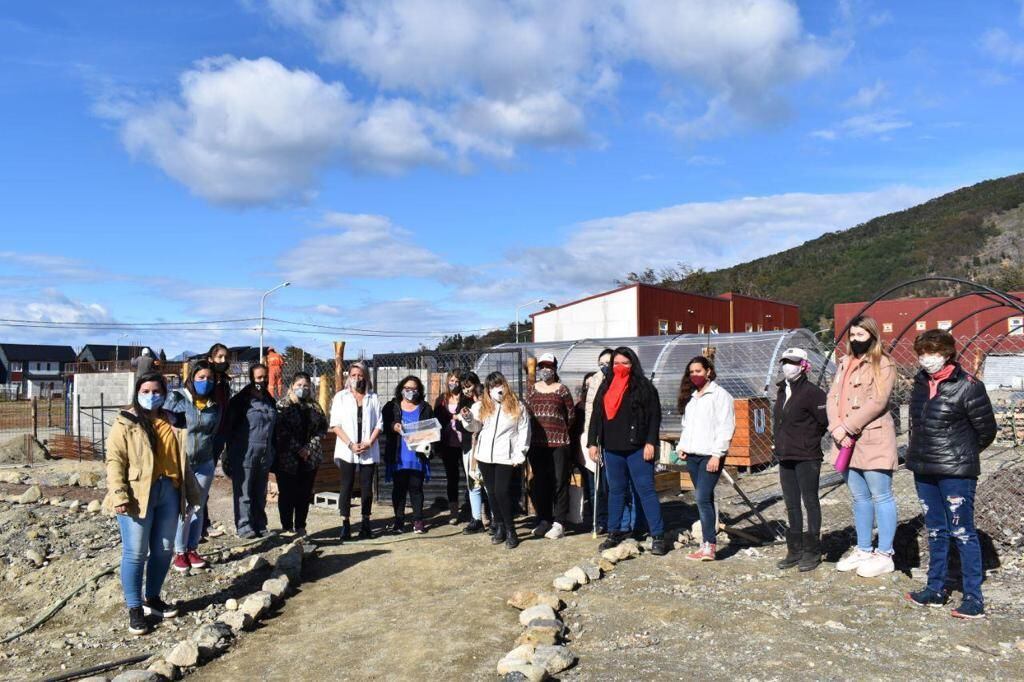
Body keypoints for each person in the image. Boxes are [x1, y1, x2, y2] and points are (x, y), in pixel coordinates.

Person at [904, 330, 997, 619]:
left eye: (932, 352)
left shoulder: (968, 386)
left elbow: (986, 431)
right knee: (935, 530)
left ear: (947, 353)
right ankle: (935, 589)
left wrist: (960, 454)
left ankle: (973, 597)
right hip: (925, 468)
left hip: (956, 471)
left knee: (962, 531)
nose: (926, 359)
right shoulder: (920, 384)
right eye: (921, 353)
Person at [103, 372, 201, 635]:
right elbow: (114, 460)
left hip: (169, 491)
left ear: (165, 393)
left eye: (156, 391)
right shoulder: (126, 422)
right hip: (137, 494)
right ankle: (134, 608)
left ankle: (153, 598)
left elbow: (183, 461)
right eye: (145, 391)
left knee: (164, 548)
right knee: (135, 552)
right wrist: (119, 494)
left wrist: (193, 494)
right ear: (137, 393)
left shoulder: (172, 420)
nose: (151, 396)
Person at [827, 315, 899, 578]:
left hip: (872, 437)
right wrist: (835, 427)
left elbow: (878, 402)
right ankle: (864, 549)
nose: (856, 340)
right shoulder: (843, 363)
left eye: (861, 335)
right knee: (859, 497)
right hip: (844, 440)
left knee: (882, 495)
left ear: (872, 335)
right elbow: (832, 396)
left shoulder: (885, 363)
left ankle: (885, 553)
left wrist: (847, 427)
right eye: (853, 335)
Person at [587, 347, 669, 556]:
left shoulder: (644, 387)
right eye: (616, 363)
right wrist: (592, 443)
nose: (619, 367)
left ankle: (658, 534)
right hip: (612, 449)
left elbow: (654, 417)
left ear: (633, 364)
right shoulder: (605, 387)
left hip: (638, 449)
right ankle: (615, 531)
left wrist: (651, 442)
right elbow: (597, 416)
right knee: (616, 491)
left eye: (625, 363)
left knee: (646, 490)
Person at [772, 348, 828, 571]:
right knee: (791, 504)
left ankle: (812, 550)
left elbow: (823, 421)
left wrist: (809, 440)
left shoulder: (813, 393)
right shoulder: (782, 390)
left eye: (793, 362)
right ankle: (794, 550)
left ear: (804, 365)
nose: (788, 366)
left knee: (810, 502)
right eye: (785, 361)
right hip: (786, 456)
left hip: (807, 456)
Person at [459, 372, 530, 549]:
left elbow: (524, 431)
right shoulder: (482, 405)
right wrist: (467, 418)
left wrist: (520, 454)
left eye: (498, 385)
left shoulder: (517, 406)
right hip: (484, 456)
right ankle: (499, 526)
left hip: (505, 456)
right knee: (491, 492)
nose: (495, 389)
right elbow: (475, 427)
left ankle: (511, 529)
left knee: (502, 492)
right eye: (491, 387)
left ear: (505, 385)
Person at [675, 356, 736, 561]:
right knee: (705, 499)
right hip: (692, 456)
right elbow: (687, 426)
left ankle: (710, 544)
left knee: (701, 498)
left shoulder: (720, 396)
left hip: (710, 456)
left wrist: (717, 454)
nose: (694, 375)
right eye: (691, 372)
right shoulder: (692, 397)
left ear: (708, 371)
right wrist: (682, 446)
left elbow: (725, 427)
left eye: (698, 371)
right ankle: (705, 545)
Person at [165, 361, 222, 573]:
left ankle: (192, 548)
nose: (205, 382)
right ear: (192, 378)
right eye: (201, 378)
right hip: (183, 461)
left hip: (205, 461)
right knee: (184, 508)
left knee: (198, 506)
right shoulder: (177, 398)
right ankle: (179, 552)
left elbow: (213, 432)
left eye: (209, 379)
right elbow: (168, 429)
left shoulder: (214, 405)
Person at [330, 361, 383, 541]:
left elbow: (379, 424)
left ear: (366, 377)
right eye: (353, 375)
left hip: (368, 448)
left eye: (360, 375)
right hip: (347, 449)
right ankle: (345, 524)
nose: (357, 379)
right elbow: (335, 425)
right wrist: (351, 444)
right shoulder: (341, 397)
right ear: (348, 377)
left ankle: (365, 523)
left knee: (367, 488)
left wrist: (369, 442)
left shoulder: (373, 398)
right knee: (346, 486)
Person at [526, 353, 576, 539]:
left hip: (559, 443)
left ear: (555, 368)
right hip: (537, 444)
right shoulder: (532, 390)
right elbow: (528, 414)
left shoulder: (562, 390)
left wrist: (557, 429)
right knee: (540, 481)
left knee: (560, 482)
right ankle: (544, 519)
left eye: (549, 366)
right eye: (542, 366)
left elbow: (570, 416)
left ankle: (560, 522)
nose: (545, 370)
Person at [225, 363, 278, 539]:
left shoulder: (269, 399)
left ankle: (260, 525)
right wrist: (230, 452)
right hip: (244, 452)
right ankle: (244, 526)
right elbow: (230, 428)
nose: (261, 381)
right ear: (251, 378)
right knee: (244, 492)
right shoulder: (241, 401)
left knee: (260, 491)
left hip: (265, 452)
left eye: (264, 377)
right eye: (258, 378)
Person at [273, 372, 328, 537]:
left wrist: (309, 448)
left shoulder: (314, 406)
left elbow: (322, 428)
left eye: (305, 386)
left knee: (304, 494)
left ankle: (301, 526)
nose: (302, 389)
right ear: (291, 386)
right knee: (287, 494)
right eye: (299, 385)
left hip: (310, 458)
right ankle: (287, 527)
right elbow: (280, 431)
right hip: (287, 458)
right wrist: (298, 449)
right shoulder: (282, 405)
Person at [384, 375, 436, 534]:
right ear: (401, 389)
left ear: (419, 391)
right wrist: (394, 425)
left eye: (414, 389)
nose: (410, 392)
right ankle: (399, 520)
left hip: (417, 456)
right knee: (398, 489)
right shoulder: (392, 406)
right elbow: (384, 424)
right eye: (407, 389)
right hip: (398, 455)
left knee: (416, 488)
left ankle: (418, 520)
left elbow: (432, 430)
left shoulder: (425, 407)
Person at [433, 370, 473, 525]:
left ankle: (475, 509)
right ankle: (454, 511)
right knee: (452, 478)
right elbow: (435, 422)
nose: (454, 383)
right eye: (451, 380)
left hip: (466, 442)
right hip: (448, 443)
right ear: (447, 381)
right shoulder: (441, 399)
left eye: (457, 381)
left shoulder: (466, 397)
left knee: (472, 476)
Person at [203, 342, 233, 539]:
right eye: (219, 357)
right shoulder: (206, 380)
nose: (223, 361)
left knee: (206, 481)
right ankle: (200, 525)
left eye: (225, 357)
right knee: (200, 482)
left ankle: (203, 524)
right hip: (205, 435)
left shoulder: (224, 381)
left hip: (220, 435)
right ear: (211, 358)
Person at [460, 371, 489, 534]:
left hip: (486, 447)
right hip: (469, 447)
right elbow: (461, 424)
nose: (467, 390)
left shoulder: (485, 403)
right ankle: (476, 518)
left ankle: (494, 518)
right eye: (464, 387)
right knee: (473, 483)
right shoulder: (464, 403)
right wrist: (466, 418)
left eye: (469, 386)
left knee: (488, 484)